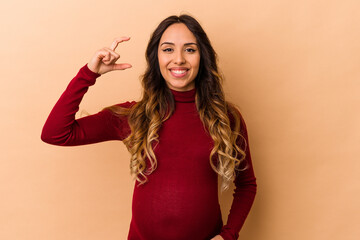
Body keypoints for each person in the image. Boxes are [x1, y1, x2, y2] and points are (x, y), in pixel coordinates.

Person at [41, 14, 257, 240]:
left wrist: (228, 235)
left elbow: (246, 185)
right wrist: (89, 73)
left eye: (190, 50)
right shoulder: (134, 116)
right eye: (168, 49)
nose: (179, 59)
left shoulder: (225, 118)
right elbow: (56, 133)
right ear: (156, 58)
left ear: (203, 57)